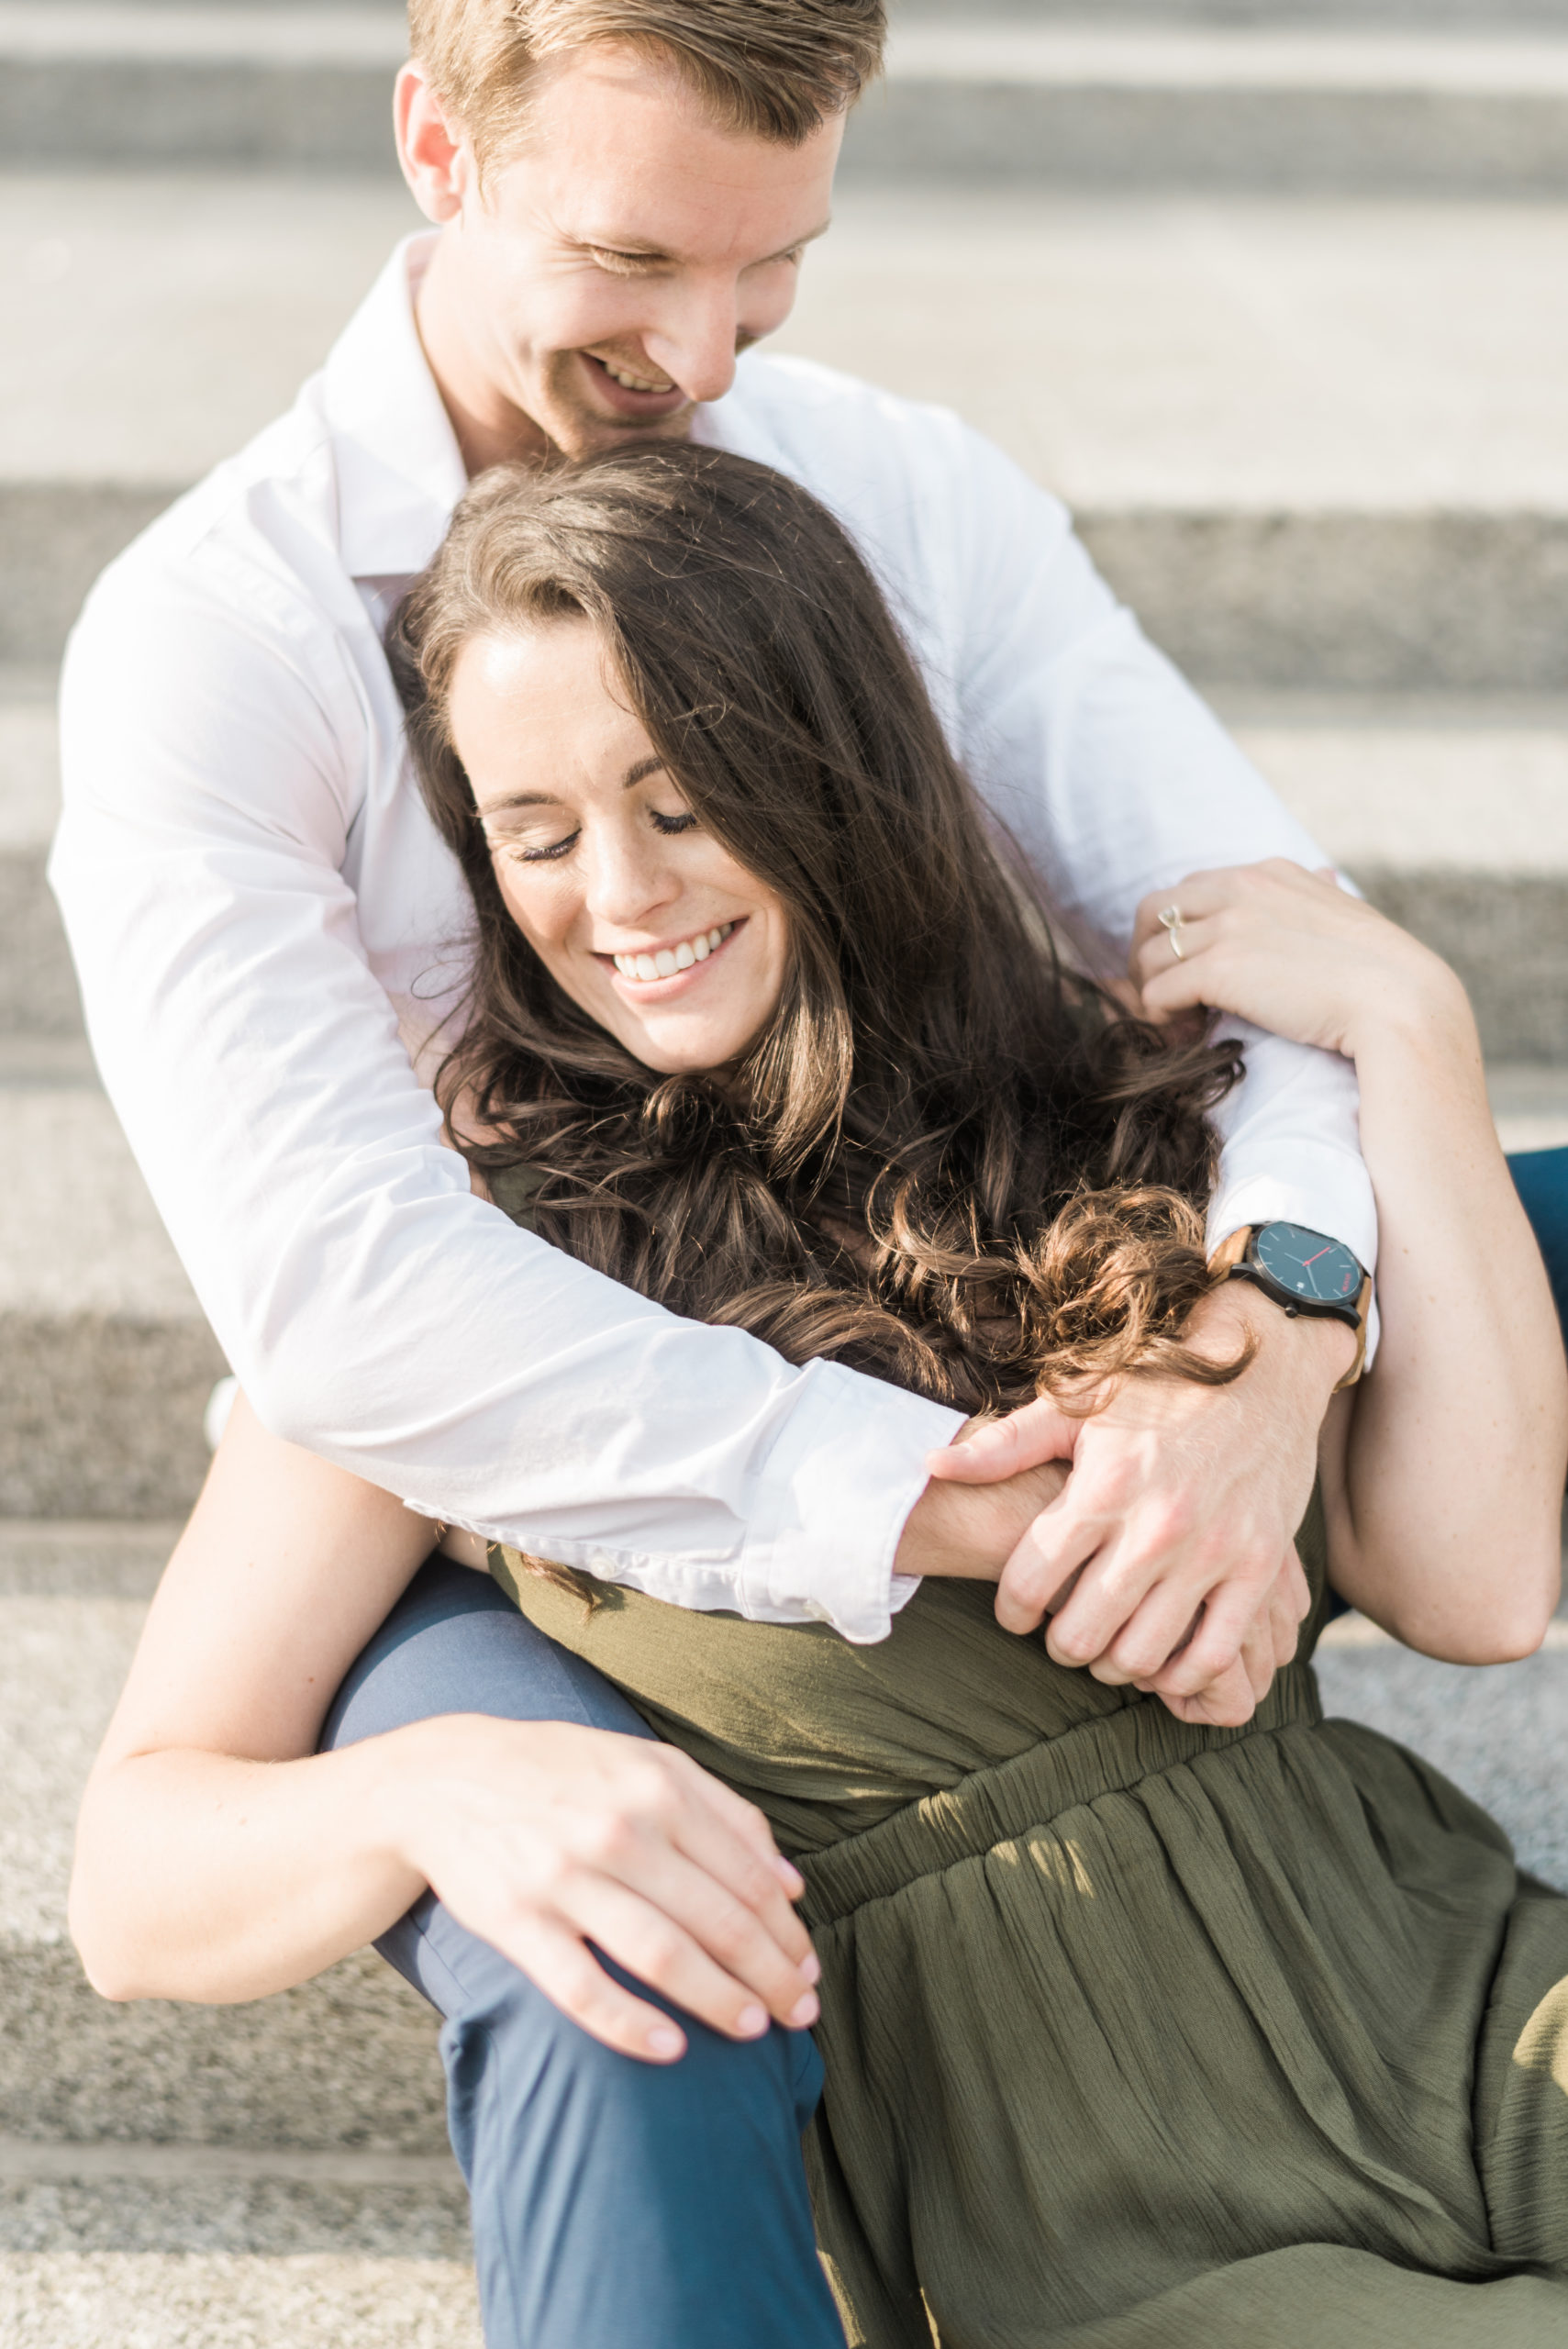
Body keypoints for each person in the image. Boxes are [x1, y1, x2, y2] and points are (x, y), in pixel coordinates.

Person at [73, 449, 1568, 2349]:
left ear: (830, 773)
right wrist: (430, 1783)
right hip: (1100, 2204)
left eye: (684, 802)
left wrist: (1413, 1025)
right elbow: (131, 1880)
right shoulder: (466, 1300)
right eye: (534, 833)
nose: (619, 896)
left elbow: (1478, 1584)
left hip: (1464, 1991)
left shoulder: (1093, 1092)